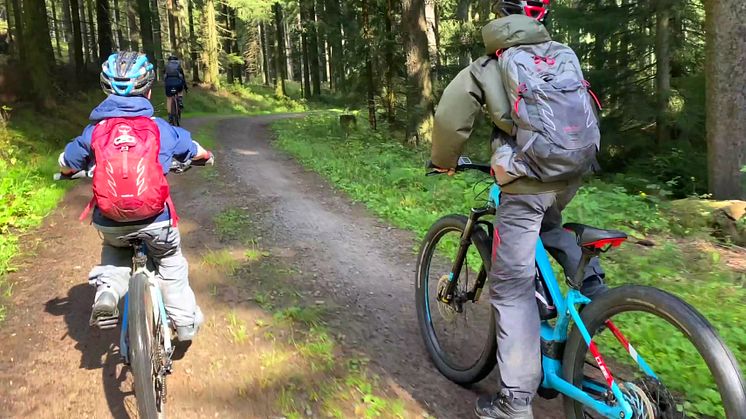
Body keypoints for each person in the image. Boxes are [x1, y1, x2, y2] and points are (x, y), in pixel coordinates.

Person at [429, 1, 607, 418]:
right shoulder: (561, 53)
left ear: (498, 17)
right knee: (547, 223)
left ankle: (515, 401)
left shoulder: (488, 65)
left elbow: (451, 120)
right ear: (537, 18)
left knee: (510, 285)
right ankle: (590, 283)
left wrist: (444, 160)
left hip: (525, 180)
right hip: (571, 172)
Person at [58, 51, 211, 344]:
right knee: (170, 264)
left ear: (105, 89)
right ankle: (184, 322)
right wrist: (206, 156)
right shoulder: (159, 128)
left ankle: (107, 292)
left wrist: (66, 169)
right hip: (157, 222)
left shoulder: (95, 131)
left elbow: (67, 161)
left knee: (115, 255)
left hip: (111, 222)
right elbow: (194, 149)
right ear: (149, 89)